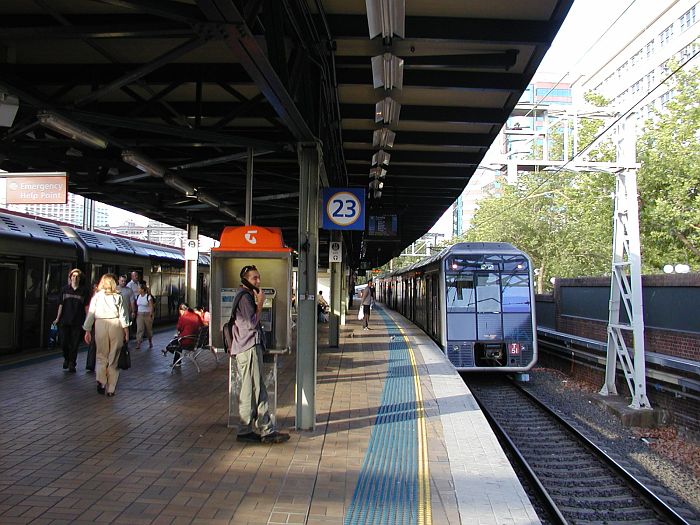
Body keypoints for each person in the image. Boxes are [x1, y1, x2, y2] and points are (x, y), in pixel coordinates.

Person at [230, 264, 289, 445]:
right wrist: (261, 303)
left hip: (244, 348)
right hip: (248, 348)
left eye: (258, 277)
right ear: (245, 280)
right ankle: (266, 429)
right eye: (254, 278)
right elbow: (251, 323)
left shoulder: (242, 296)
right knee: (258, 388)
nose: (258, 281)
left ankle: (245, 429)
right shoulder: (246, 297)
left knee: (249, 389)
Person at [83, 274, 129, 397]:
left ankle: (101, 380)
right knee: (113, 357)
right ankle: (111, 389)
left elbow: (91, 314)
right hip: (115, 324)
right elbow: (123, 315)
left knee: (101, 355)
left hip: (100, 324)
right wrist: (126, 331)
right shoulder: (118, 296)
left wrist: (87, 330)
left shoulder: (97, 297)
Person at [53, 268, 90, 372]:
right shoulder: (64, 289)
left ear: (80, 278)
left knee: (74, 344)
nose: (75, 278)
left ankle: (72, 363)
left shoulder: (84, 291)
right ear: (70, 278)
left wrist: (87, 320)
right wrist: (57, 318)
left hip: (78, 321)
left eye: (77, 276)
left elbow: (86, 306)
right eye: (73, 276)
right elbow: (60, 304)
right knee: (63, 342)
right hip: (64, 321)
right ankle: (66, 358)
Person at [135, 281, 155, 349]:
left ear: (142, 290)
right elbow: (137, 306)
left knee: (148, 330)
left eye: (139, 288)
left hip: (147, 314)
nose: (138, 290)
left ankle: (150, 341)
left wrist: (151, 315)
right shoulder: (138, 296)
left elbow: (151, 306)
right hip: (140, 314)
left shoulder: (148, 297)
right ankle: (138, 343)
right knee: (139, 329)